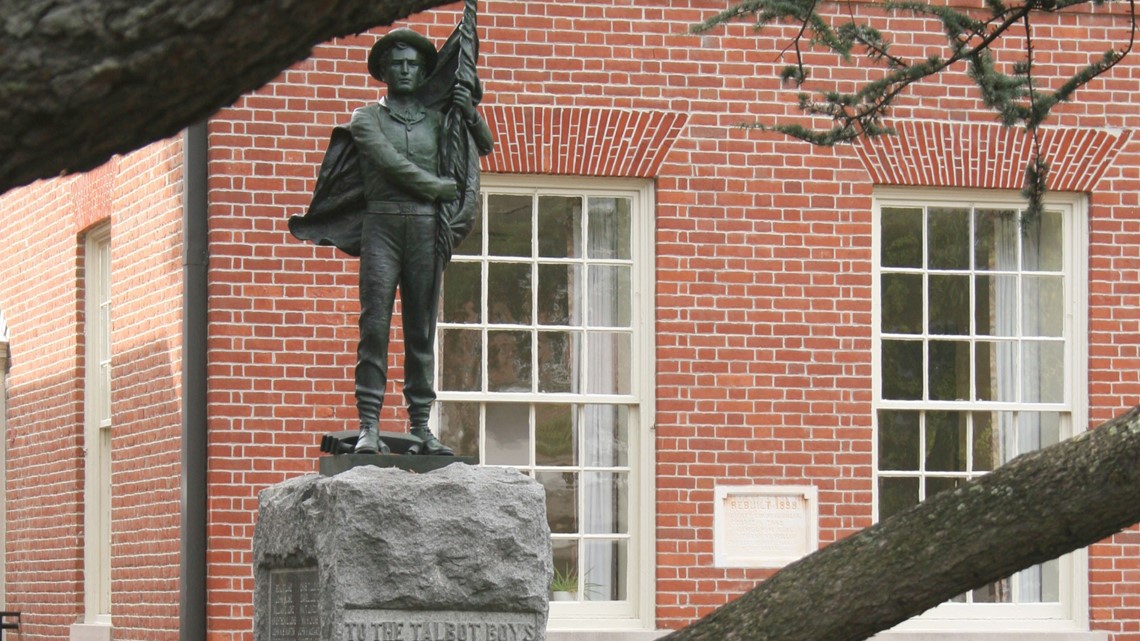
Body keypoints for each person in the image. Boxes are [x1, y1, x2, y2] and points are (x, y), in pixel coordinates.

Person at [290, 27, 493, 455]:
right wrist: (436, 188)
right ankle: (369, 425)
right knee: (375, 328)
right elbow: (388, 164)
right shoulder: (367, 119)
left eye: (413, 65)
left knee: (421, 331)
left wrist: (468, 112)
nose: (404, 71)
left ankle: (421, 425)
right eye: (396, 64)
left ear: (423, 73)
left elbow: (485, 147)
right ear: (383, 71)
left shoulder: (439, 122)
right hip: (381, 228)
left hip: (424, 231)